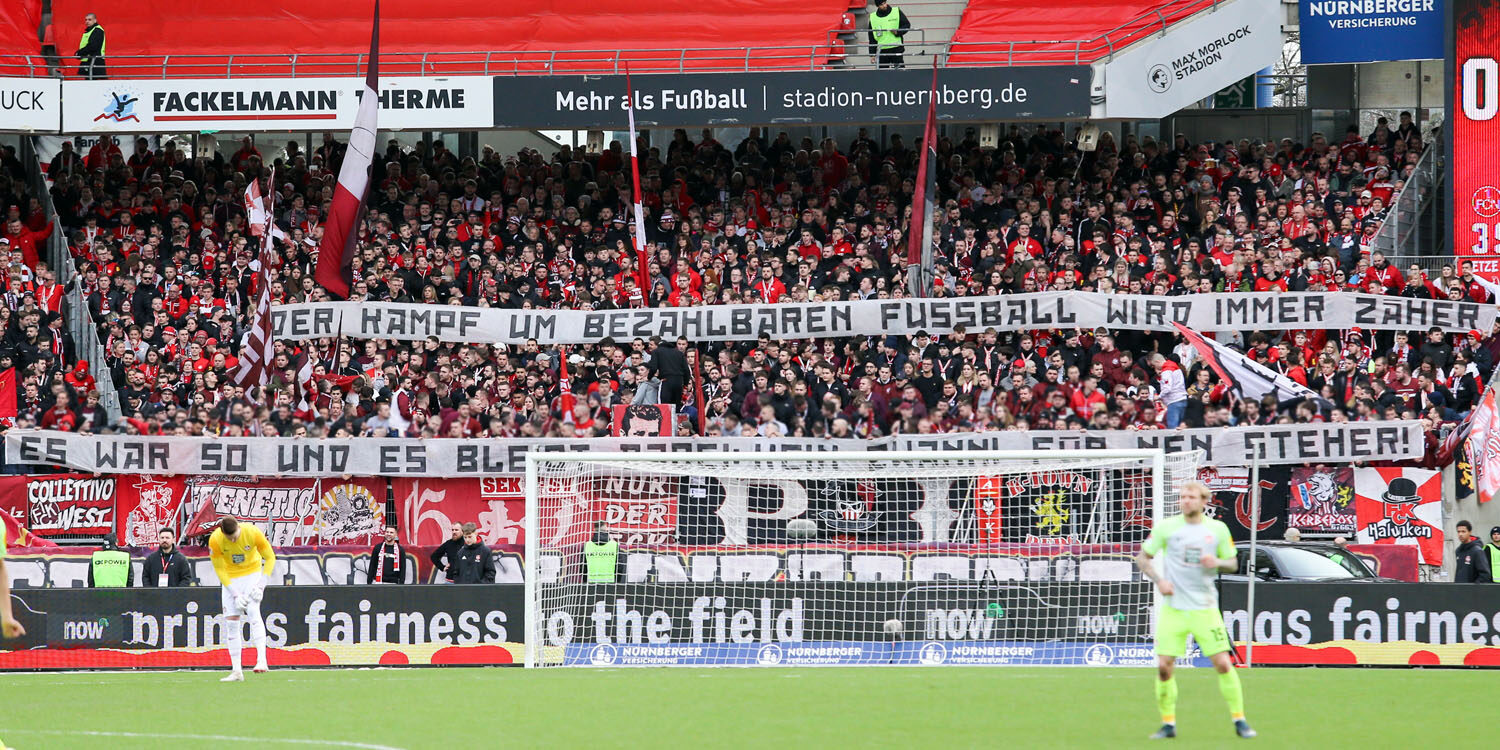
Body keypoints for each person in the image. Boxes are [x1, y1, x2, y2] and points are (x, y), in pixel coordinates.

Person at [1135, 480, 1255, 740]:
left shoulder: (1218, 529)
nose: (1186, 500)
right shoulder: (1167, 527)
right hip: (1173, 608)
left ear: (1204, 501)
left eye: (1191, 497)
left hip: (1204, 608)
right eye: (1182, 497)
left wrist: (1217, 562)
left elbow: (1233, 563)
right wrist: (1160, 581)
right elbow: (1143, 557)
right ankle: (1168, 724)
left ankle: (1240, 720)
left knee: (1223, 663)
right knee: (1165, 666)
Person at [208, 516, 276, 681]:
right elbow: (219, 569)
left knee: (253, 612)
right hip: (231, 580)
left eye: (235, 536)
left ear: (239, 527)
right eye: (229, 537)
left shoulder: (252, 532)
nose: (233, 540)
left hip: (252, 574)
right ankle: (237, 670)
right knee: (231, 623)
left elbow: (270, 557)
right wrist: (235, 593)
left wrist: (261, 585)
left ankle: (262, 660)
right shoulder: (215, 540)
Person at [867, 0, 911, 68]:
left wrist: (898, 32)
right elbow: (871, 38)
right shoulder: (873, 17)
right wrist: (872, 54)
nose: (884, 6)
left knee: (900, 73)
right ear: (877, 6)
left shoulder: (896, 11)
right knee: (883, 74)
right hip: (882, 50)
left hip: (896, 48)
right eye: (881, 4)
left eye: (885, 3)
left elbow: (907, 25)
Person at [645, 336, 689, 405]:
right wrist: (685, 384)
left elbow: (653, 368)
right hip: (679, 382)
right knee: (676, 408)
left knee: (663, 407)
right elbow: (686, 370)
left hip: (666, 381)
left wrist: (648, 378)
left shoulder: (656, 351)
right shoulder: (679, 353)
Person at [76, 13, 107, 80]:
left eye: (89, 20)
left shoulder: (97, 30)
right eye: (86, 20)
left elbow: (93, 46)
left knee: (93, 83)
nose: (87, 21)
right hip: (91, 60)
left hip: (94, 61)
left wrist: (80, 53)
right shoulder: (92, 30)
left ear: (95, 20)